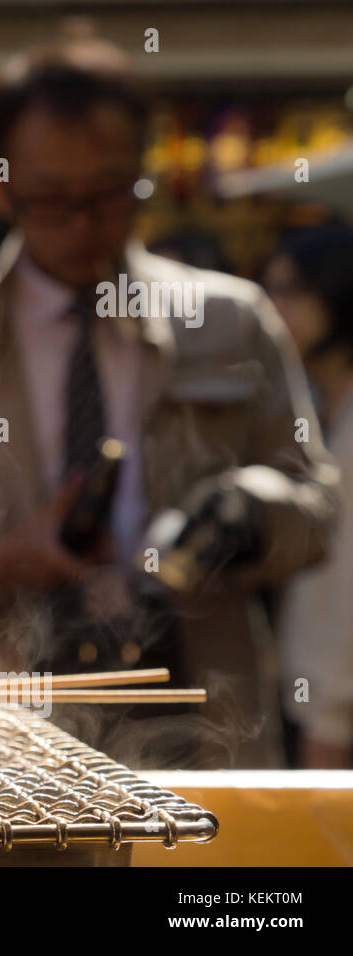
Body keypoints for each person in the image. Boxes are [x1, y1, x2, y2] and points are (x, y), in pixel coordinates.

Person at [0, 33, 340, 768]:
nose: (84, 224)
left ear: (142, 174)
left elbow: (318, 507)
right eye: (52, 200)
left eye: (110, 195)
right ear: (0, 184)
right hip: (1, 736)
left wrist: (249, 514)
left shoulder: (231, 320)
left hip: (200, 722)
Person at [264, 225, 353, 768]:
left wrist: (330, 717)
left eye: (293, 291)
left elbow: (344, 584)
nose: (275, 309)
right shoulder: (317, 402)